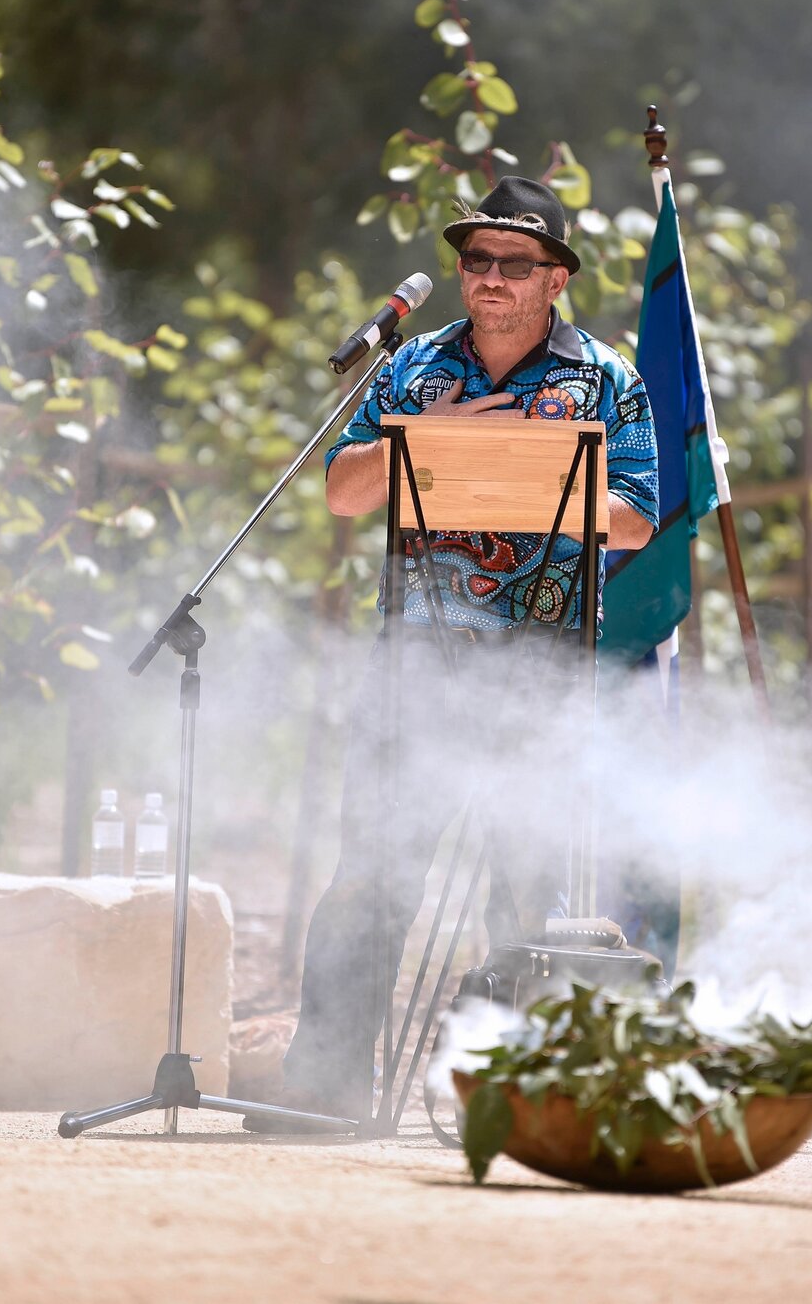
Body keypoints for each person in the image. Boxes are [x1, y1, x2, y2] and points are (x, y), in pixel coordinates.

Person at [246, 176, 659, 1129]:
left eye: (516, 264)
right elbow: (345, 492)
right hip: (416, 667)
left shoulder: (608, 377)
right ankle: (323, 1095)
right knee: (370, 880)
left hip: (541, 674)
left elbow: (636, 519)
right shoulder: (412, 367)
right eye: (477, 260)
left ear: (557, 279)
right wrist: (431, 441)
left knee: (526, 891)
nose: (491, 278)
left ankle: (514, 1103)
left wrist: (528, 467)